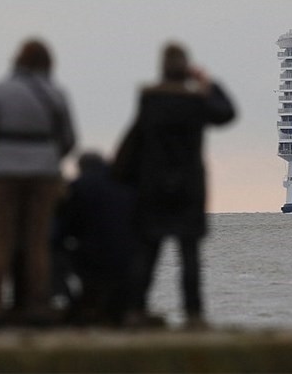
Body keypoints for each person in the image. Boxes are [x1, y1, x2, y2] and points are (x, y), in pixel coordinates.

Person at [118, 42, 235, 329]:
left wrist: (123, 178)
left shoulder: (149, 100)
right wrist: (208, 84)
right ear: (186, 70)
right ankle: (193, 314)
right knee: (189, 254)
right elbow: (227, 113)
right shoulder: (195, 102)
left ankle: (135, 309)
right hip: (189, 187)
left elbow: (134, 142)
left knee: (147, 251)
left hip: (153, 185)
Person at [0, 38, 77, 326]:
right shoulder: (56, 92)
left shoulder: (0, 89)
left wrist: (9, 147)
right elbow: (69, 138)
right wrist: (49, 154)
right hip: (43, 170)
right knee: (37, 240)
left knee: (3, 239)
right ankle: (37, 305)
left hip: (5, 169)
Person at [57, 151, 135, 326]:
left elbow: (67, 227)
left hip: (93, 256)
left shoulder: (79, 186)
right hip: (128, 256)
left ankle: (74, 303)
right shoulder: (126, 184)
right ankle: (112, 309)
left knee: (56, 254)